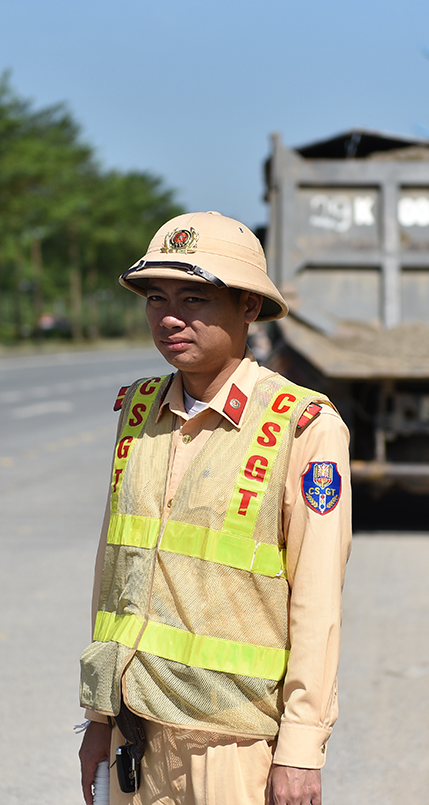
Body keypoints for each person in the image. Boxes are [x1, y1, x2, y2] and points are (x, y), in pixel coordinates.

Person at [77, 211, 352, 805]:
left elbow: (317, 598)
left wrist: (301, 750)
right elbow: (113, 576)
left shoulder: (300, 424)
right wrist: (99, 717)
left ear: (248, 307)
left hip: (234, 749)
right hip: (136, 731)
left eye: (194, 298)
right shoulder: (138, 410)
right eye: (155, 297)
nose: (169, 317)